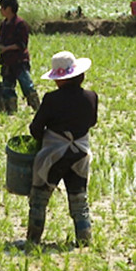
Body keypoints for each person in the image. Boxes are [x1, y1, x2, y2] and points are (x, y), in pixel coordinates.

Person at [25, 51, 98, 249]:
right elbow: (92, 122)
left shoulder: (51, 99)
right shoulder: (91, 97)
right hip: (80, 154)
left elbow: (35, 129)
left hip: (54, 156)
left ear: (60, 80)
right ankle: (84, 239)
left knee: (39, 197)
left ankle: (33, 240)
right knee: (79, 198)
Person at [0, 0, 39, 114]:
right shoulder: (4, 24)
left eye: (2, 7)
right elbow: (0, 42)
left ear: (8, 8)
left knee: (27, 85)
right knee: (7, 87)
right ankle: (11, 112)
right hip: (7, 61)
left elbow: (21, 44)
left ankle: (37, 109)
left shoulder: (20, 24)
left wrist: (6, 49)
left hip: (19, 61)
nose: (0, 10)